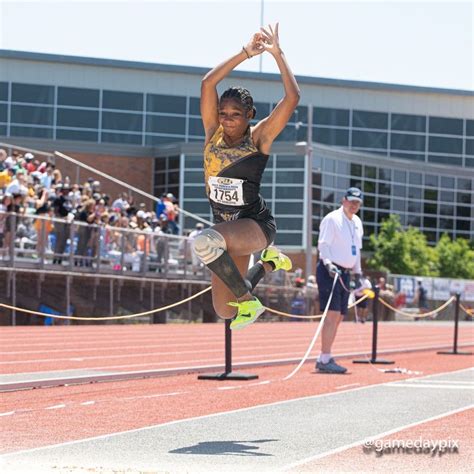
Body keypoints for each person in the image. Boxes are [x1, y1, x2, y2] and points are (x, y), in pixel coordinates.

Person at [194, 23, 299, 330]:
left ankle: (251, 297)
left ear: (249, 115)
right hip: (227, 228)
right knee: (225, 311)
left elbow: (292, 98)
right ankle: (269, 263)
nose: (227, 120)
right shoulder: (212, 133)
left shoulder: (259, 138)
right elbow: (206, 83)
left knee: (204, 243)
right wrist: (245, 53)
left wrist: (277, 54)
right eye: (223, 113)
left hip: (255, 224)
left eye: (235, 114)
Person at [315, 187, 364, 373]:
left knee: (340, 315)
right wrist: (328, 264)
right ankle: (325, 358)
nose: (354, 205)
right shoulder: (332, 219)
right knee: (332, 314)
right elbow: (324, 244)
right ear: (343, 200)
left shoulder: (357, 222)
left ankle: (325, 356)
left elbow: (356, 250)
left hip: (345, 272)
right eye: (351, 201)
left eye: (357, 203)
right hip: (330, 271)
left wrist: (358, 273)